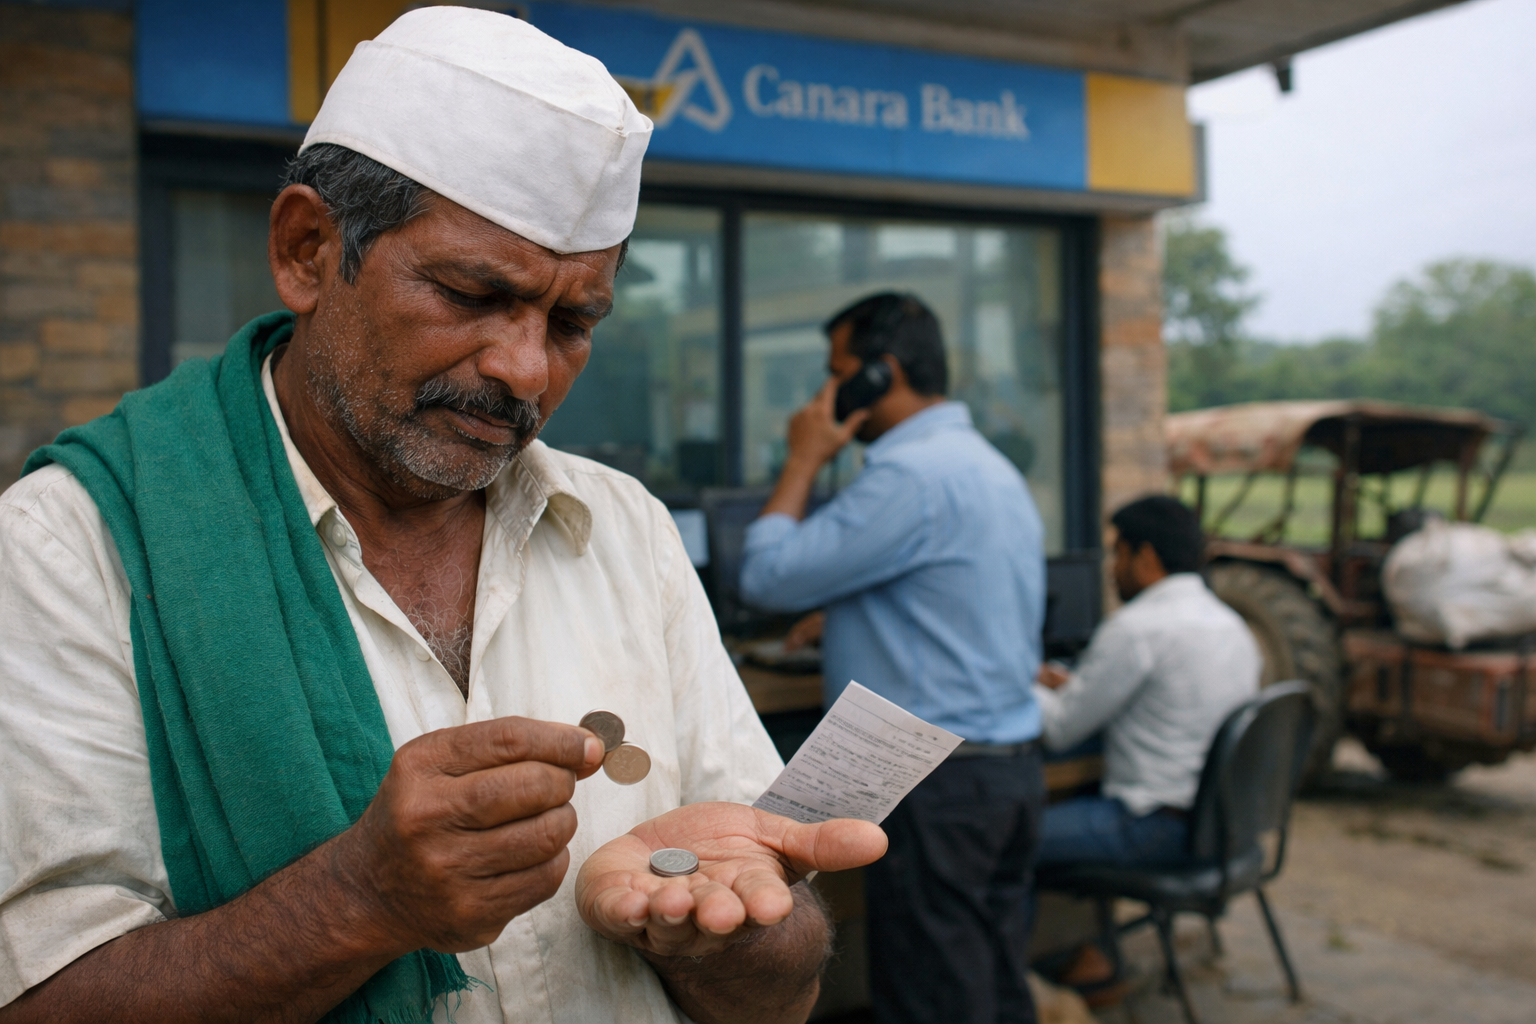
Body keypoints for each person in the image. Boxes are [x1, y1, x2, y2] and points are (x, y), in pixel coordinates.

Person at [0, 10, 885, 1024]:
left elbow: (778, 992)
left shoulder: (623, 530)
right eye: (471, 293)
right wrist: (362, 898)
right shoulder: (72, 551)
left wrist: (742, 925)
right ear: (306, 251)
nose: (524, 369)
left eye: (571, 321)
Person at [739, 293, 1048, 1024]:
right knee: (996, 980)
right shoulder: (987, 466)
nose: (825, 391)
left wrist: (803, 460)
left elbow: (766, 575)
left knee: (935, 996)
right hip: (1007, 772)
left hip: (942, 785)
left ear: (879, 376)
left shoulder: (908, 477)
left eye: (836, 371)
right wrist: (849, 608)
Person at [1035, 495, 1262, 870]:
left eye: (1118, 554)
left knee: (1006, 839)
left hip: (1154, 827)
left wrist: (1020, 678)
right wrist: (1077, 685)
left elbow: (1059, 728)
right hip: (1223, 827)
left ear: (1147, 557)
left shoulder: (1136, 628)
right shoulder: (1232, 626)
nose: (1112, 570)